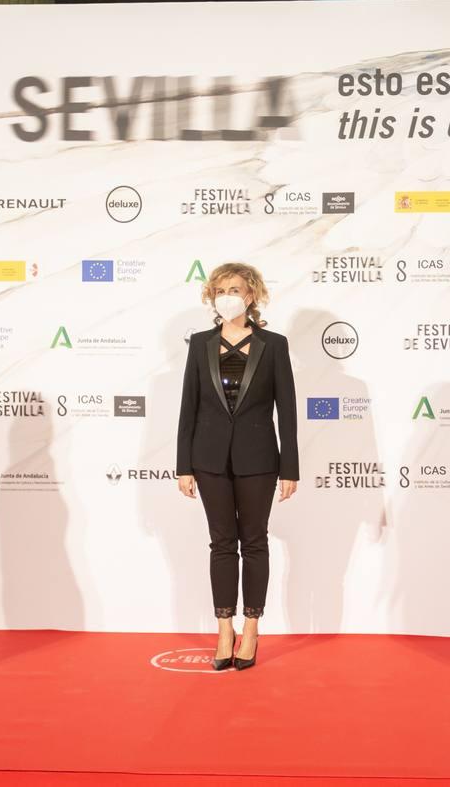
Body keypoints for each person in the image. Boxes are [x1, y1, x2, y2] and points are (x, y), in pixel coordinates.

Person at [176, 262, 299, 671]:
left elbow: (288, 411)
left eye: (235, 288)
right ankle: (223, 627)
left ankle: (251, 629)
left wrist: (290, 468)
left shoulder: (274, 345)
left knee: (255, 541)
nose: (227, 294)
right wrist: (184, 466)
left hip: (259, 459)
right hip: (208, 459)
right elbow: (188, 408)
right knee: (221, 543)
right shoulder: (200, 344)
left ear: (251, 295)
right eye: (220, 289)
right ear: (212, 296)